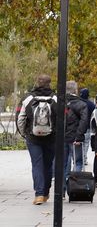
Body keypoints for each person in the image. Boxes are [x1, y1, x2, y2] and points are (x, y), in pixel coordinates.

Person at [16, 74, 57, 205]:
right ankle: (45, 192)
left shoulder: (28, 98)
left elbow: (21, 118)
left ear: (37, 83)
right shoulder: (56, 98)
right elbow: (62, 118)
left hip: (33, 137)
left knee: (37, 164)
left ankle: (38, 194)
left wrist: (24, 133)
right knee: (48, 164)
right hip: (51, 137)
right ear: (50, 83)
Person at [63, 81, 89, 189]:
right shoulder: (82, 104)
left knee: (64, 163)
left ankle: (63, 188)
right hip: (76, 138)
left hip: (63, 138)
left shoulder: (61, 103)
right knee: (78, 162)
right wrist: (79, 136)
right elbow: (84, 122)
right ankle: (75, 187)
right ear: (76, 90)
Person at [79, 88, 95, 169]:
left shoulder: (78, 103)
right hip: (88, 127)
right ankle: (84, 158)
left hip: (78, 127)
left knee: (79, 143)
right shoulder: (91, 104)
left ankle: (78, 157)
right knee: (86, 143)